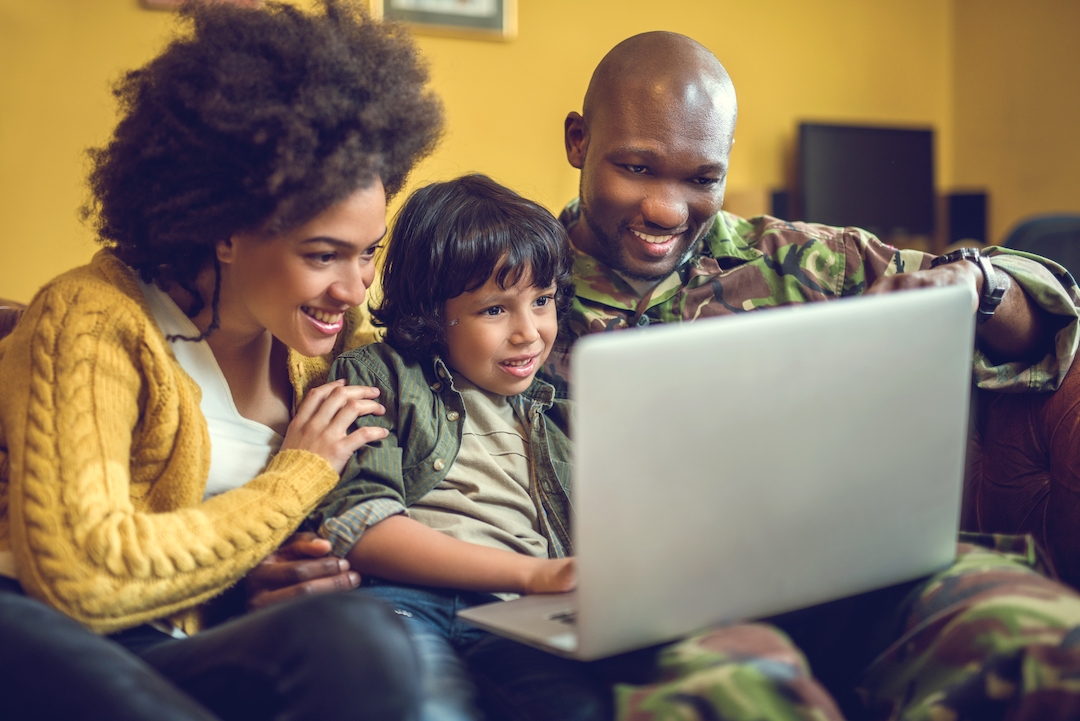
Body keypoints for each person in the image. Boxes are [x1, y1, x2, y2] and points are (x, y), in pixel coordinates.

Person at [531, 31, 1080, 721]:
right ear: (578, 141)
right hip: (674, 618)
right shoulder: (507, 293)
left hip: (870, 577)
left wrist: (977, 282)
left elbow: (1048, 324)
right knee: (736, 698)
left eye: (701, 178)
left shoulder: (802, 260)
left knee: (1050, 643)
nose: (668, 209)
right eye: (637, 168)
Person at [0, 1, 442, 719]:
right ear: (224, 229)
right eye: (322, 254)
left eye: (370, 252)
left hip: (171, 643)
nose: (353, 286)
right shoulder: (93, 322)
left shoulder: (322, 349)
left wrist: (256, 586)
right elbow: (83, 569)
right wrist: (297, 478)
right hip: (43, 629)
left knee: (355, 637)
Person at [306, 174, 609, 721]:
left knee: (579, 707)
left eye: (542, 301)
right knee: (426, 705)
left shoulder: (557, 413)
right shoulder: (377, 376)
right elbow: (360, 526)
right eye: (495, 310)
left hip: (521, 617)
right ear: (429, 310)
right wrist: (533, 575)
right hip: (405, 602)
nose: (529, 332)